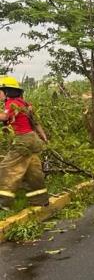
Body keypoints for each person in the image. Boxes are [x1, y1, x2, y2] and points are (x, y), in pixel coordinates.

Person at [0, 76, 49, 210]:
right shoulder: (25, 104)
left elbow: (4, 117)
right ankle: (40, 199)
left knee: (7, 168)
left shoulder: (11, 103)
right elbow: (35, 123)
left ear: (7, 91)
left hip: (23, 140)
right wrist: (43, 137)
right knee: (32, 171)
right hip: (33, 139)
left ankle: (3, 202)